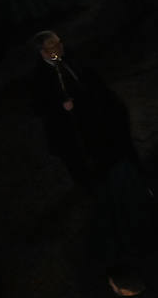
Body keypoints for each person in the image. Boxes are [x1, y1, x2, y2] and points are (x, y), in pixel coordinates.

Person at [29, 31, 134, 186]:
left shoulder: (71, 58)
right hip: (68, 131)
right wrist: (60, 106)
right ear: (42, 52)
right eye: (53, 47)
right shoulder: (38, 77)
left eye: (59, 43)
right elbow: (38, 107)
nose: (59, 48)